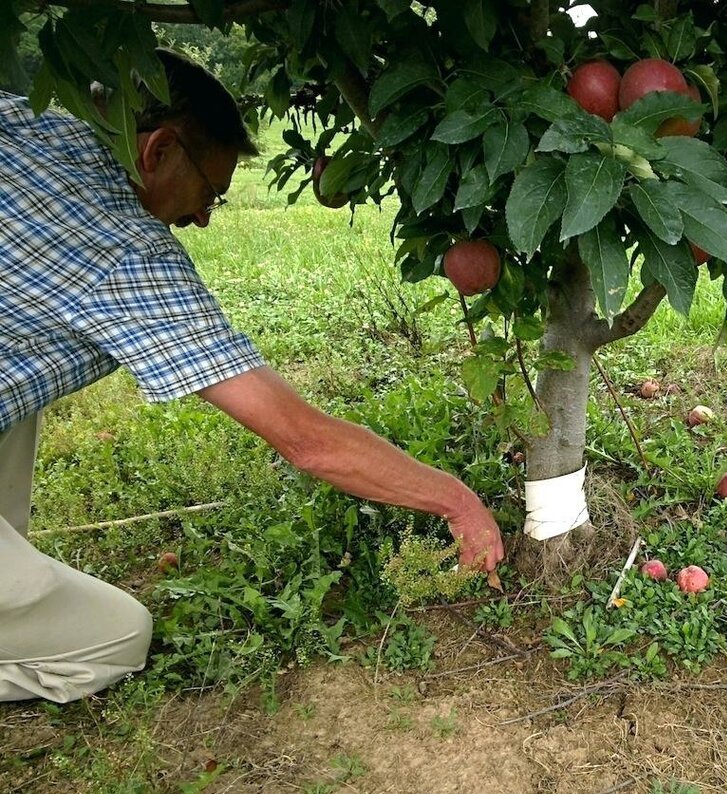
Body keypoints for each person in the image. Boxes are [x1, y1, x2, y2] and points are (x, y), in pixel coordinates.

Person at [0, 50, 504, 704]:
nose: (205, 218)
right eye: (209, 191)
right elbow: (306, 439)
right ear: (157, 151)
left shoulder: (24, 122)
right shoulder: (123, 252)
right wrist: (455, 499)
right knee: (114, 637)